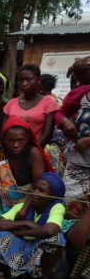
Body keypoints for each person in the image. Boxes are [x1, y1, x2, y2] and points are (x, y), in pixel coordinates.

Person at [0, 172, 67, 279]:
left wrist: (20, 232)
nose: (35, 192)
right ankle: (13, 276)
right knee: (2, 234)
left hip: (41, 252)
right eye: (34, 188)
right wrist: (25, 221)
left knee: (55, 238)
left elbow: (50, 230)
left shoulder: (57, 207)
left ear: (52, 196)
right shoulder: (22, 205)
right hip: (22, 246)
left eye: (41, 190)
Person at [0, 118, 51, 216]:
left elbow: (38, 188)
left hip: (30, 202)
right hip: (1, 202)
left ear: (27, 139)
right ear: (3, 139)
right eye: (11, 140)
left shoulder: (33, 153)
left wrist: (23, 210)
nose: (16, 145)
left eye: (20, 140)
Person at [56, 58, 90, 212]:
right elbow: (59, 113)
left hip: (83, 148)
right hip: (79, 159)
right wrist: (64, 121)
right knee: (71, 204)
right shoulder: (80, 93)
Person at [3, 64, 59, 148]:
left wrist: (32, 151)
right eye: (21, 80)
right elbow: (4, 131)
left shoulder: (49, 103)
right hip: (12, 150)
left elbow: (47, 134)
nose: (24, 84)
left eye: (28, 80)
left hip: (36, 149)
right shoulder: (11, 103)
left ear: (39, 80)